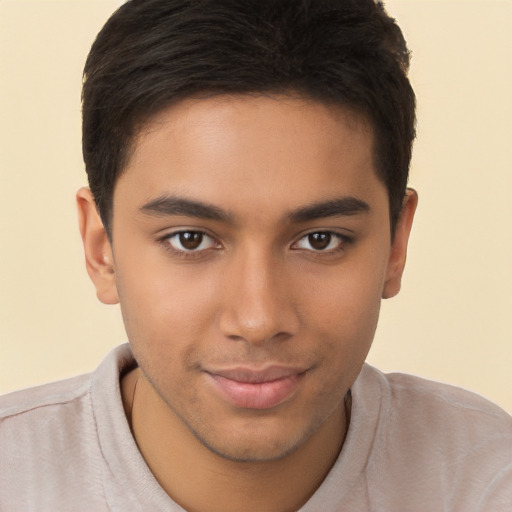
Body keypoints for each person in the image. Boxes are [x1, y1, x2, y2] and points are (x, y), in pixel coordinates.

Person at [0, 0, 510, 510]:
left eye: (320, 240)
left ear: (396, 244)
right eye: (190, 240)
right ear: (101, 248)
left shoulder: (487, 480)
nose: (258, 320)